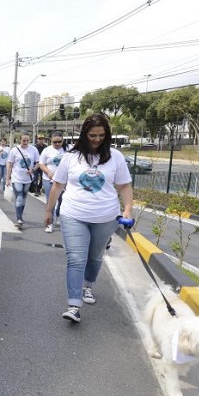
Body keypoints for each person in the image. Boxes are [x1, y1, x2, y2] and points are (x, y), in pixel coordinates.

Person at [45, 113, 133, 323]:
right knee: (75, 258)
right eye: (92, 135)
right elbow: (58, 185)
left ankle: (88, 286)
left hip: (106, 217)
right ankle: (74, 305)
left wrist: (128, 210)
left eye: (101, 135)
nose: (97, 139)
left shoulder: (115, 157)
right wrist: (49, 211)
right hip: (73, 214)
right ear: (84, 135)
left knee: (94, 257)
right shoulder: (70, 157)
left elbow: (124, 186)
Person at [5, 133, 39, 229]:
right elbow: (10, 165)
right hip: (16, 178)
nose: (25, 142)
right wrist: (8, 179)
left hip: (28, 179)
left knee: (24, 198)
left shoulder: (34, 150)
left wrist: (32, 170)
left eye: (27, 140)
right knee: (19, 196)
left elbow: (38, 163)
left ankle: (20, 216)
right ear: (19, 140)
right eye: (24, 140)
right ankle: (19, 219)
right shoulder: (14, 150)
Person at [38, 131, 66, 232]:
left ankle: (58, 215)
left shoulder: (67, 150)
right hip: (49, 180)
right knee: (50, 201)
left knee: (63, 201)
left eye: (59, 141)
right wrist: (49, 172)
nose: (57, 144)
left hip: (64, 182)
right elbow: (41, 164)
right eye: (55, 142)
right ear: (51, 141)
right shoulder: (46, 150)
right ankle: (49, 223)